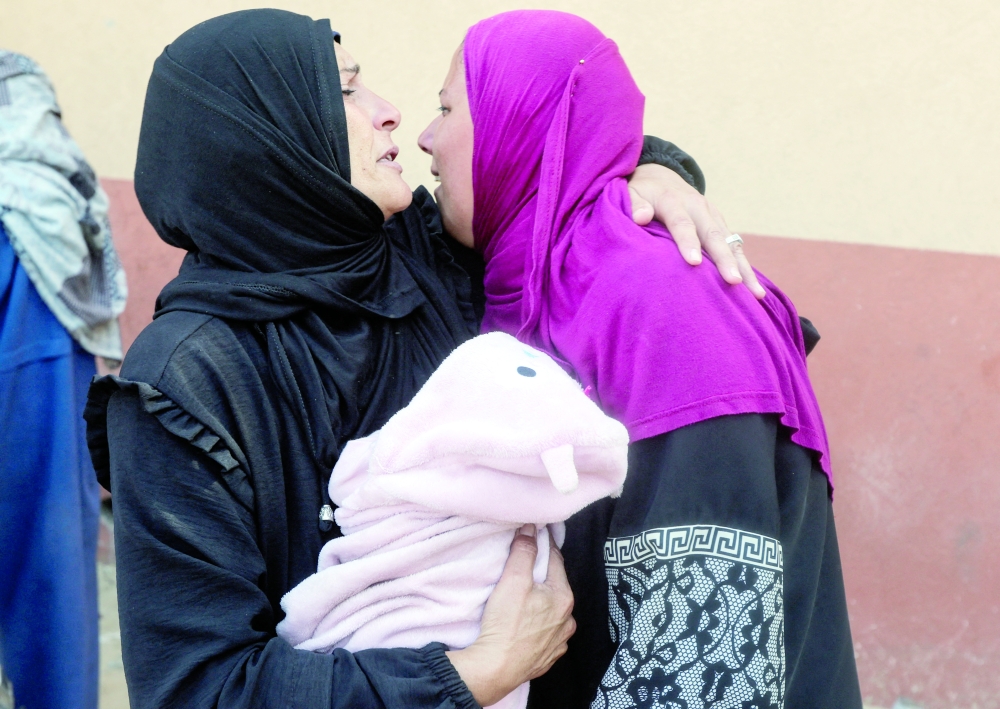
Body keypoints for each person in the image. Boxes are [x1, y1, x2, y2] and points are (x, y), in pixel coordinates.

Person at [82, 10, 752, 709]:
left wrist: (655, 172)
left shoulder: (428, 258)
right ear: (267, 135)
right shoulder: (186, 382)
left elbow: (549, 165)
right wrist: (470, 674)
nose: (390, 113)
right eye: (346, 91)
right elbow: (199, 688)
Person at [417, 10, 861, 709]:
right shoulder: (535, 284)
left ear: (517, 124)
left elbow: (701, 661)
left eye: (446, 108)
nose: (425, 137)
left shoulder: (665, 307)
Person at [0, 51, 127, 709]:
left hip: (41, 384)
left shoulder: (30, 221)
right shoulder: (53, 216)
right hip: (40, 402)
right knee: (50, 569)